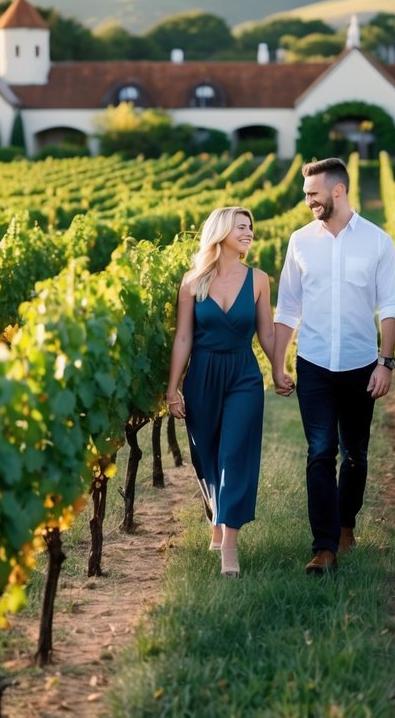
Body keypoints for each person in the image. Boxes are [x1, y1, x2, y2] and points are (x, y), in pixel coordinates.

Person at [272, 157, 395, 575]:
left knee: (356, 455)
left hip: (362, 364)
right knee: (320, 452)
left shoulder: (378, 241)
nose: (307, 200)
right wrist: (278, 364)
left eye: (313, 193)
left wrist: (385, 364)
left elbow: (391, 309)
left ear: (338, 191)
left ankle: (347, 524)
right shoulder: (300, 241)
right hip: (313, 364)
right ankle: (324, 547)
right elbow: (288, 307)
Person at [166, 206, 280, 577]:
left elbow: (266, 333)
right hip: (202, 375)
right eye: (241, 227)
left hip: (243, 375)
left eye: (250, 227)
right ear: (221, 232)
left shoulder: (259, 279)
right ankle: (218, 517)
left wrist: (279, 369)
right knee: (207, 455)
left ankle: (229, 545)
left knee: (235, 453)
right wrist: (173, 388)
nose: (249, 232)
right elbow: (183, 336)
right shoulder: (193, 280)